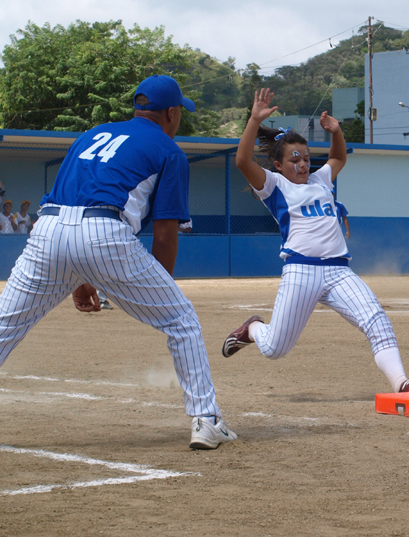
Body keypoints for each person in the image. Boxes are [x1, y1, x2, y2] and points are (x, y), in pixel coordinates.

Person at [0, 75, 236, 450]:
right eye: (181, 113)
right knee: (181, 320)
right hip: (103, 232)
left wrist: (79, 275)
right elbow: (164, 233)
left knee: (6, 323)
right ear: (171, 113)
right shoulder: (169, 149)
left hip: (47, 229)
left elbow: (69, 204)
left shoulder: (92, 134)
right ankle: (206, 420)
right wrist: (161, 289)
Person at [223, 88, 409, 394]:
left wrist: (336, 131)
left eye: (306, 158)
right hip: (301, 270)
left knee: (376, 320)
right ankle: (253, 328)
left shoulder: (320, 179)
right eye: (294, 159)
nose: (302, 164)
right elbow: (243, 161)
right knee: (274, 348)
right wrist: (254, 121)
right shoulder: (275, 185)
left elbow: (338, 156)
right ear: (278, 165)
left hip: (339, 271)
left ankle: (401, 383)